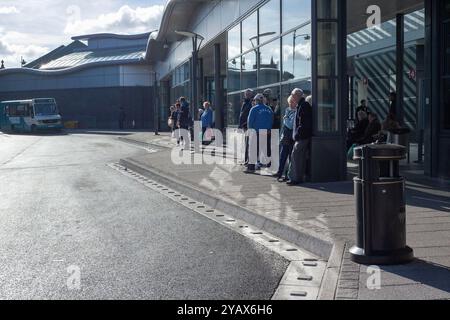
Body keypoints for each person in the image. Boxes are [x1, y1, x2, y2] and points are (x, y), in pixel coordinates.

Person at [287, 89, 312, 185]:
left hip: (302, 137)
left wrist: (297, 134)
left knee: (295, 156)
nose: (292, 98)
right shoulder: (302, 105)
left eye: (293, 95)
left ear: (297, 95)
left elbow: (304, 123)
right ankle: (298, 177)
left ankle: (295, 178)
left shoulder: (303, 106)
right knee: (299, 157)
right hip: (302, 136)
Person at [244, 93, 274, 174]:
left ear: (256, 100)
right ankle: (270, 166)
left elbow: (250, 121)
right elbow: (271, 120)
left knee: (253, 150)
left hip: (256, 132)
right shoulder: (269, 109)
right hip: (266, 132)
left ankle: (251, 168)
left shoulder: (254, 109)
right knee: (266, 150)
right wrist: (269, 129)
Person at [273, 95, 297, 182]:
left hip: (291, 138)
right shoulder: (288, 110)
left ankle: (287, 175)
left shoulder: (295, 112)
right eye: (290, 102)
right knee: (282, 156)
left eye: (293, 102)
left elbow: (290, 125)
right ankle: (280, 173)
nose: (291, 104)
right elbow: (284, 126)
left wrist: (285, 118)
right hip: (285, 137)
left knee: (290, 157)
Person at [238, 89, 255, 166]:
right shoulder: (245, 102)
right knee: (245, 144)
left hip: (248, 126)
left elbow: (249, 115)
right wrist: (239, 126)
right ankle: (245, 160)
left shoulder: (252, 102)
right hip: (244, 126)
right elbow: (241, 114)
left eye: (249, 94)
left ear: (252, 94)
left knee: (249, 144)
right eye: (246, 94)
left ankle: (248, 161)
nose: (247, 95)